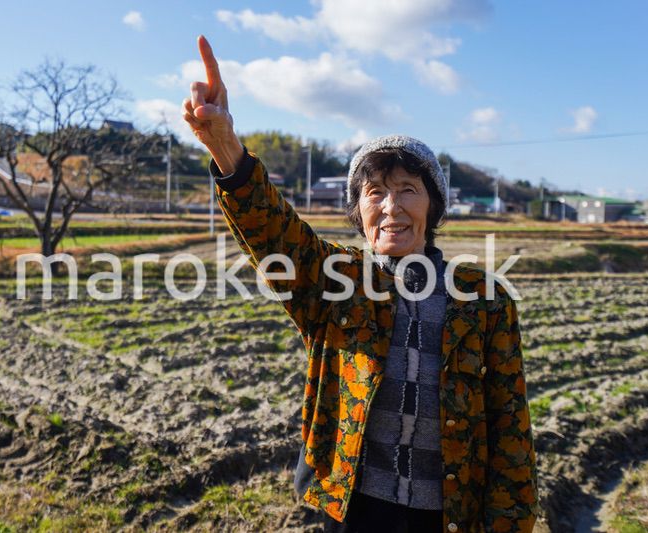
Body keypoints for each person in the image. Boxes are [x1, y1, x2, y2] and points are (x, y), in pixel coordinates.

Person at [182, 35, 539, 533]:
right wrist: (225, 148)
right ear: (358, 212)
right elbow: (271, 232)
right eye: (375, 193)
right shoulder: (337, 279)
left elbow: (509, 424)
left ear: (434, 206)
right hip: (353, 508)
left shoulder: (483, 298)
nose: (391, 207)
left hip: (450, 516)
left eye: (408, 190)